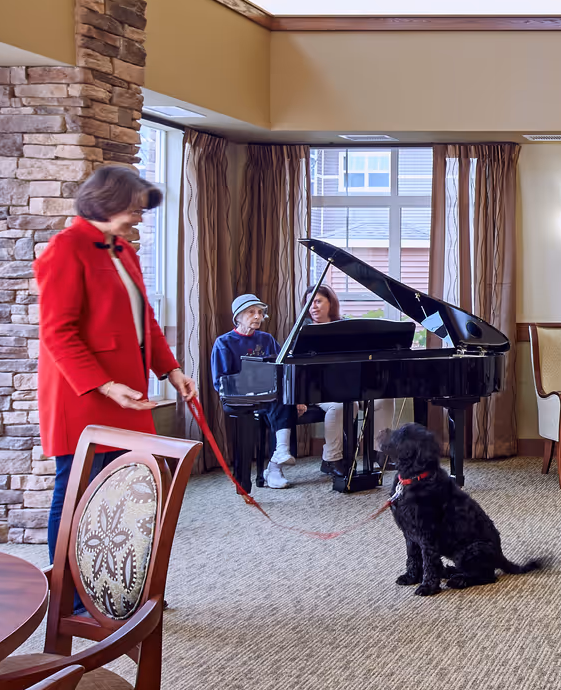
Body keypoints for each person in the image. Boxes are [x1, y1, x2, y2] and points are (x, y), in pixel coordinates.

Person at [35, 165, 196, 563]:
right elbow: (57, 332)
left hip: (128, 392)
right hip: (85, 395)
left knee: (124, 490)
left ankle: (119, 583)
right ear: (111, 203)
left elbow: (145, 321)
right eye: (136, 210)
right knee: (76, 490)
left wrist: (170, 370)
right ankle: (69, 591)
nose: (139, 219)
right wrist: (104, 385)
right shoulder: (65, 248)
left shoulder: (124, 251)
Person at [209, 294, 297, 488]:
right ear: (238, 316)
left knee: (286, 398)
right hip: (237, 398)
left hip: (266, 395)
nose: (257, 316)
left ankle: (277, 462)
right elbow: (221, 380)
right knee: (277, 401)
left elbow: (281, 369)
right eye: (251, 312)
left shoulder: (266, 339)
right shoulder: (224, 342)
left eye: (260, 312)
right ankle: (266, 468)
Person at [309, 284, 350, 477]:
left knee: (382, 400)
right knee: (340, 406)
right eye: (309, 303)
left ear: (330, 303)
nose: (313, 307)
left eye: (318, 301)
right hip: (314, 390)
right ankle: (332, 459)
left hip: (344, 387)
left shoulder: (346, 329)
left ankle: (378, 452)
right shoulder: (304, 332)